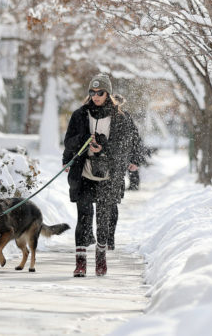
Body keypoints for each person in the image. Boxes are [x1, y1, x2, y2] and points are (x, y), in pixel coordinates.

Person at [63, 73, 144, 277]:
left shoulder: (120, 118)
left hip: (109, 174)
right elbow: (69, 140)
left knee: (104, 217)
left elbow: (126, 144)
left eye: (100, 92)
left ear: (108, 93)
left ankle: (101, 258)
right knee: (83, 216)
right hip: (84, 171)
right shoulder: (80, 115)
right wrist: (75, 151)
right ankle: (80, 262)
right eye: (92, 92)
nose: (96, 96)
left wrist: (103, 148)